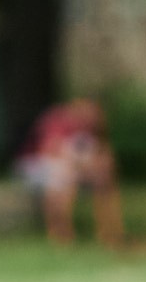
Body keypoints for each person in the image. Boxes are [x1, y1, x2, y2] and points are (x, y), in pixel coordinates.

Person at [16, 98, 124, 249]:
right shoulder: (57, 121)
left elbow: (104, 156)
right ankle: (60, 232)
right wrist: (79, 164)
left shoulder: (91, 128)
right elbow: (49, 152)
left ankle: (111, 232)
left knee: (102, 179)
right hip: (35, 165)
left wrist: (92, 166)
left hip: (75, 169)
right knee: (63, 178)